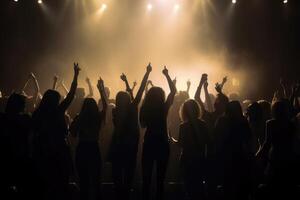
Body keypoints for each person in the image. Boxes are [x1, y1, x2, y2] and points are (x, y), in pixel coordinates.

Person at [32, 63, 80, 200]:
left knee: (45, 185)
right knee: (60, 184)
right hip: (59, 151)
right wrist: (76, 75)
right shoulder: (57, 111)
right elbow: (71, 95)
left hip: (41, 152)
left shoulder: (38, 114)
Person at [109, 63, 152, 200]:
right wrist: (147, 73)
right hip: (130, 147)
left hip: (117, 146)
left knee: (117, 179)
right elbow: (138, 93)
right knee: (128, 178)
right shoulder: (132, 109)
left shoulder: (115, 111)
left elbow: (133, 95)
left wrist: (127, 82)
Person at [140, 66, 176, 200]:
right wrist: (166, 75)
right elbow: (173, 91)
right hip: (162, 144)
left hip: (149, 143)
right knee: (160, 180)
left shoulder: (145, 109)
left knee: (146, 180)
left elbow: (142, 125)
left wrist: (147, 73)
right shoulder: (163, 108)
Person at [70, 78, 107, 200]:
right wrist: (101, 89)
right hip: (94, 148)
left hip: (82, 148)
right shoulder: (97, 118)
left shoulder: (79, 117)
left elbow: (73, 134)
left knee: (83, 180)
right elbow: (105, 106)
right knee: (96, 180)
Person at [256, 100, 298, 199]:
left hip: (275, 157)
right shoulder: (291, 124)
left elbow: (267, 143)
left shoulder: (270, 124)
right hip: (289, 157)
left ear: (274, 110)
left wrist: (257, 155)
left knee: (272, 186)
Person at [215, 101, 253, 200]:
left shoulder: (222, 121)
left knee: (228, 189)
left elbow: (217, 140)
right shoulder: (242, 121)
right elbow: (248, 140)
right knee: (241, 190)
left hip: (226, 158)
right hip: (240, 157)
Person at [0, 93, 33, 198]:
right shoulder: (25, 119)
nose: (25, 106)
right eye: (23, 104)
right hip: (20, 155)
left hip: (5, 154)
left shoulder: (2, 118)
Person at [177, 99, 209, 200]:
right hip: (200, 159)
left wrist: (172, 140)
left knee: (189, 187)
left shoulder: (183, 126)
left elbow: (181, 144)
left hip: (187, 160)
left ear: (184, 111)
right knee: (199, 186)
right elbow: (207, 142)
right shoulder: (203, 124)